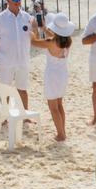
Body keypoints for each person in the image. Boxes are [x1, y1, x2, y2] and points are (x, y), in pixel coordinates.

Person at [0, 0, 35, 109]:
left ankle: (25, 114)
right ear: (7, 0)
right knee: (5, 90)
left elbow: (35, 37)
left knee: (23, 89)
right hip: (6, 61)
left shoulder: (27, 17)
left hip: (23, 60)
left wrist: (36, 27)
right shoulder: (0, 18)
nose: (18, 1)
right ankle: (4, 116)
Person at [32, 13, 74, 141]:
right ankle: (62, 131)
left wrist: (34, 29)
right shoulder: (67, 41)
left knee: (53, 107)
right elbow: (55, 38)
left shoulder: (51, 42)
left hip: (52, 75)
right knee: (59, 104)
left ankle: (61, 134)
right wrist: (44, 29)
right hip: (62, 74)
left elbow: (34, 42)